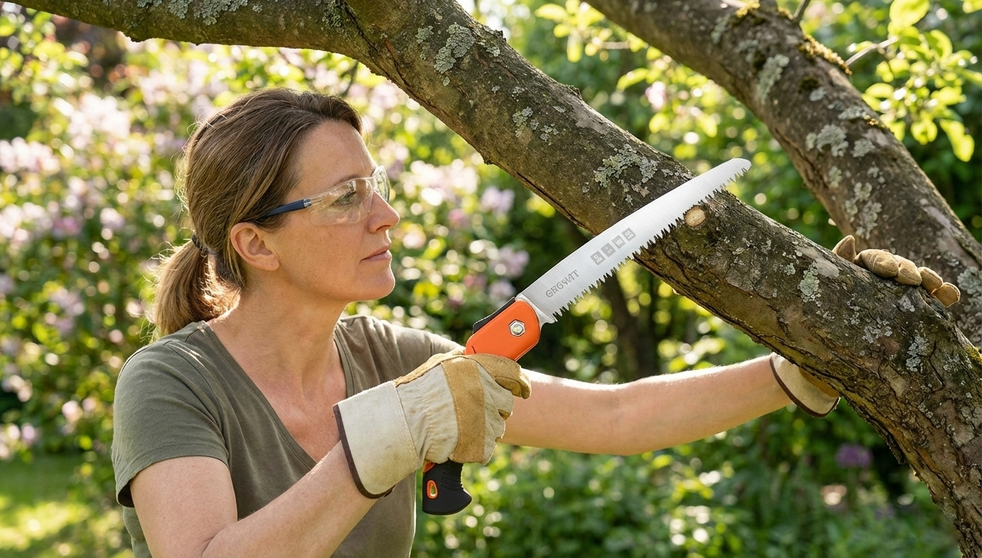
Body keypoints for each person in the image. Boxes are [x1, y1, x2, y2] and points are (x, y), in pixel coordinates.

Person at [111, 88, 953, 558]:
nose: (388, 215)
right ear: (255, 241)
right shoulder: (171, 383)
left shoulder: (391, 358)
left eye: (375, 184)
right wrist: (371, 453)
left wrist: (794, 371)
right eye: (345, 198)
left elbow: (616, 416)